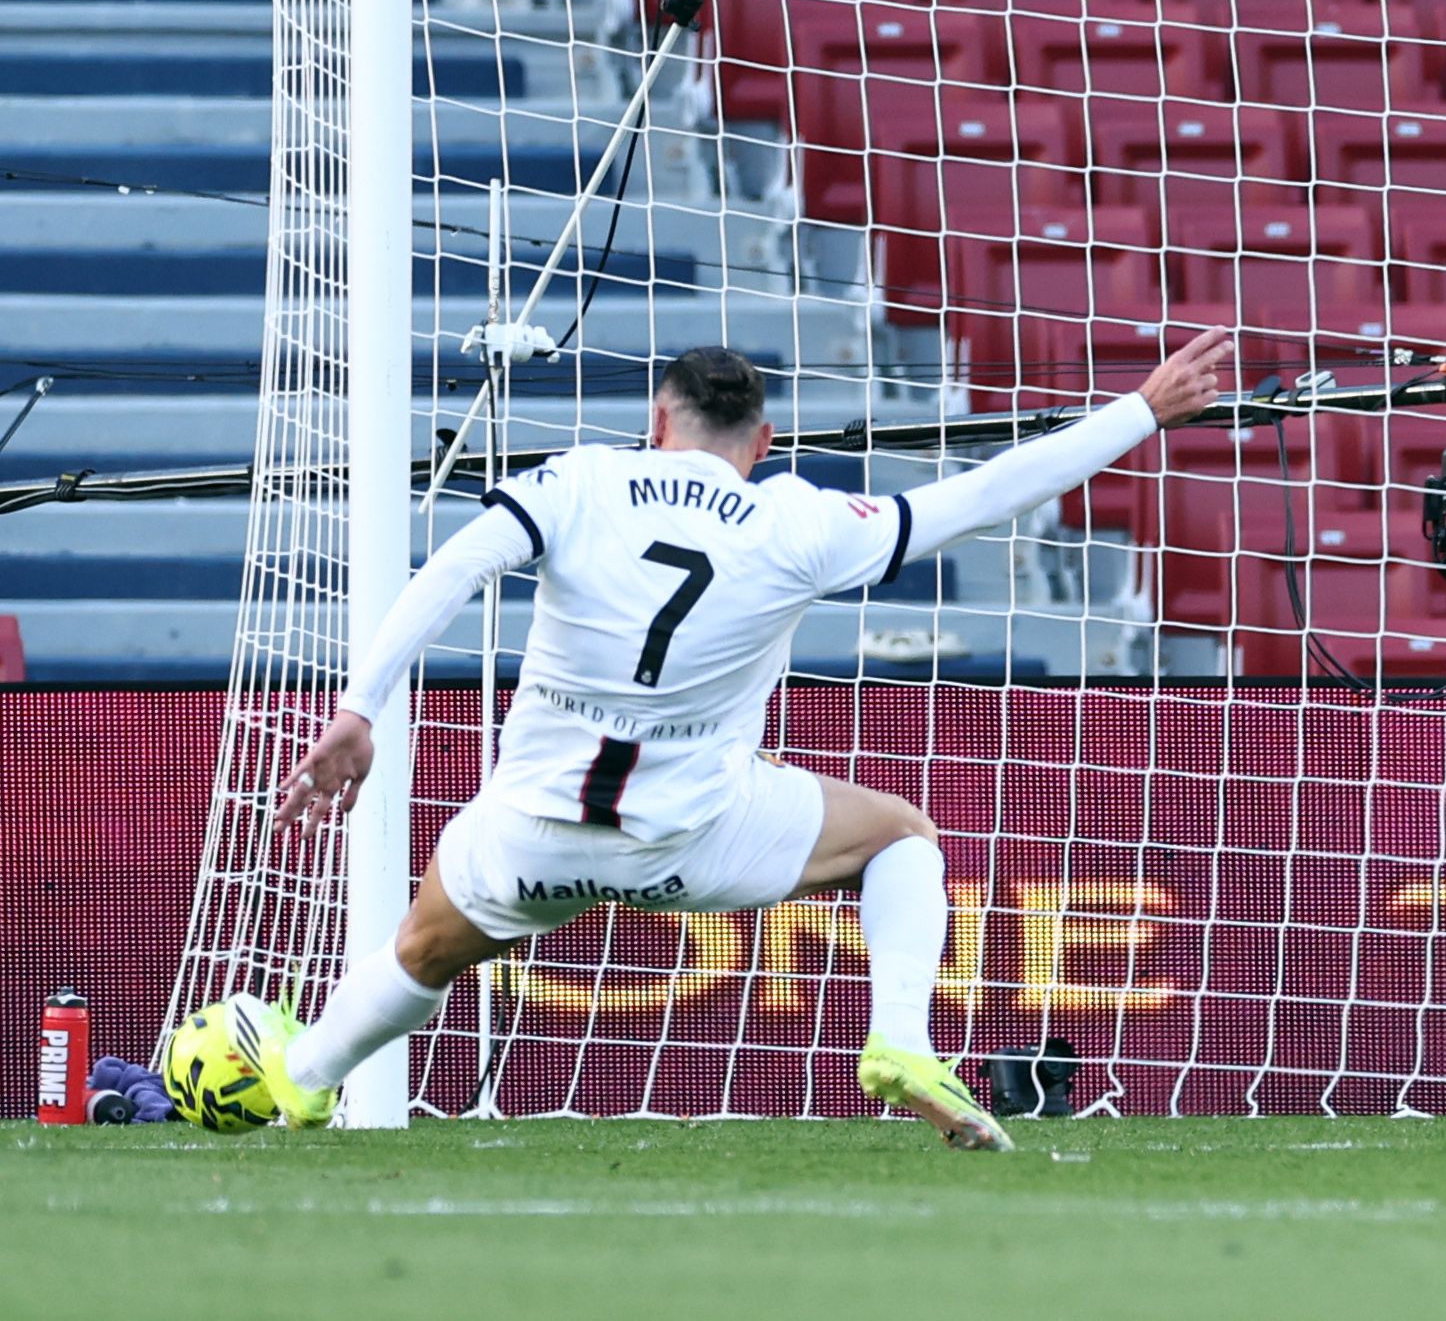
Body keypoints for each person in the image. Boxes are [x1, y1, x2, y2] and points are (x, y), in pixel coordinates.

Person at [253, 332, 1233, 1146]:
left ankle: (303, 1079)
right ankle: (899, 1041)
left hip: (532, 836)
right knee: (900, 835)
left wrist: (359, 709)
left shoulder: (579, 483)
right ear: (762, 440)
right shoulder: (796, 521)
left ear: (657, 422)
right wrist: (1143, 407)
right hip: (699, 838)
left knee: (422, 951)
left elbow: (453, 569)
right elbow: (987, 494)